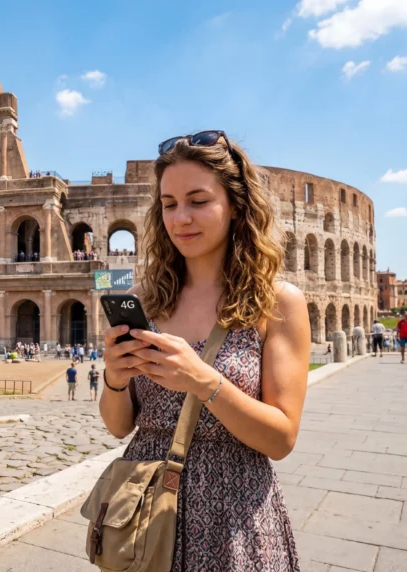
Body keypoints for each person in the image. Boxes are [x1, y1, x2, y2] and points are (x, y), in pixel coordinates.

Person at [99, 131, 306, 569]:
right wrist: (115, 379)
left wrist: (203, 379)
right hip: (145, 512)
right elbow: (120, 428)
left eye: (198, 201)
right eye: (169, 204)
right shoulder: (145, 299)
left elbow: (282, 437)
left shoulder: (276, 302)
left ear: (235, 206)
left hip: (236, 513)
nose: (181, 218)